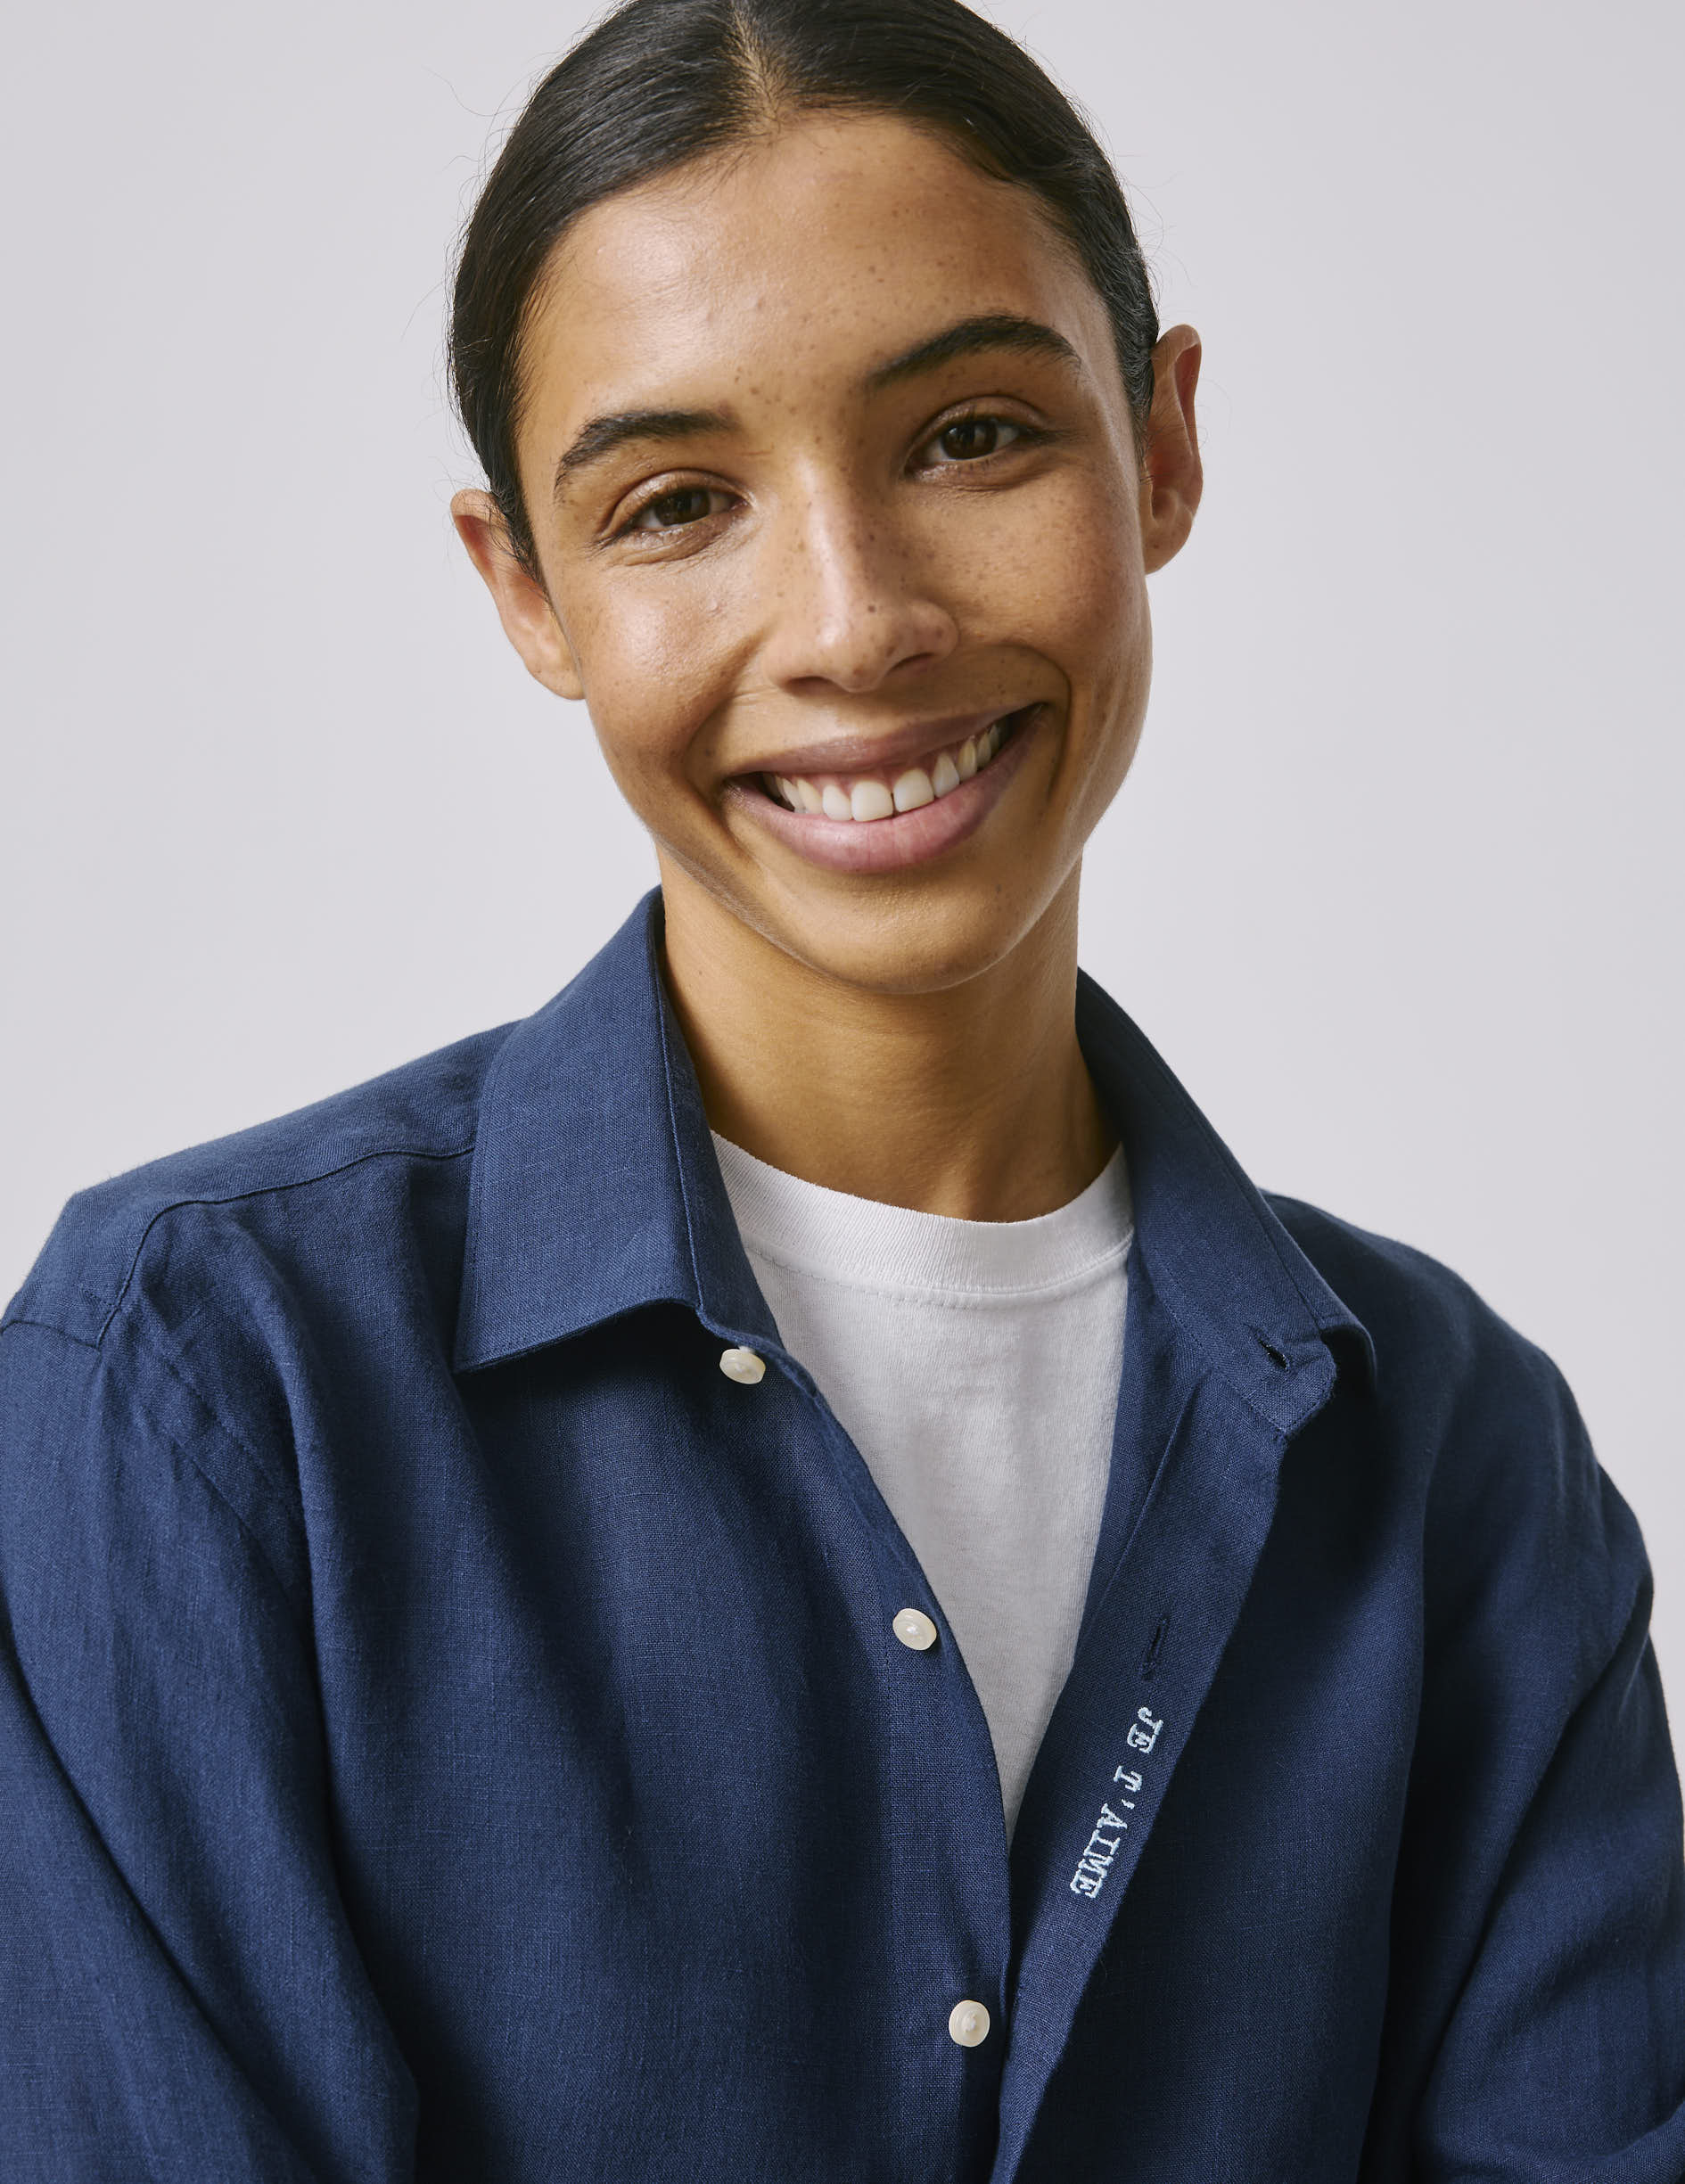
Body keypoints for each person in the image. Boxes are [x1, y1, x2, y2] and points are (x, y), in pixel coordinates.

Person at [3, 0, 1681, 2173]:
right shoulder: (198, 1388)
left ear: (1162, 447)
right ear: (525, 589)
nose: (855, 622)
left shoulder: (1454, 1459)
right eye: (679, 502)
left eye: (972, 437)